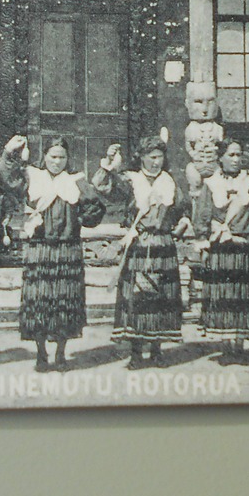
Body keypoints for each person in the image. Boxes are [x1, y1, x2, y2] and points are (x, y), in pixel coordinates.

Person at [4, 135, 106, 371]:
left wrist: (78, 219)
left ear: (68, 159)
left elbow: (95, 208)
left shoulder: (76, 182)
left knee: (65, 302)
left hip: (67, 249)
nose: (57, 161)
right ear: (45, 157)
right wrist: (10, 153)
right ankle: (41, 354)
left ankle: (60, 354)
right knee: (39, 302)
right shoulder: (32, 177)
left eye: (62, 157)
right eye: (53, 156)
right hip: (39, 248)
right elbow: (7, 179)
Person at [92, 135, 188, 369]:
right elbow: (102, 186)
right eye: (151, 157)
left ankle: (156, 350)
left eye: (160, 157)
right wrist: (108, 163)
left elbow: (182, 209)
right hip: (138, 245)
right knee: (137, 298)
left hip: (163, 246)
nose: (156, 162)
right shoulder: (131, 180)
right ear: (141, 157)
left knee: (161, 300)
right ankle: (136, 352)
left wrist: (181, 224)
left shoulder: (169, 181)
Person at [194, 139, 249, 362]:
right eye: (231, 155)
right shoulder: (211, 184)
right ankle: (226, 346)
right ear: (221, 158)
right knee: (223, 296)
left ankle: (240, 346)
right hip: (221, 250)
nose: (236, 160)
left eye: (239, 155)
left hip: (244, 249)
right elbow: (202, 217)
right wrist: (204, 245)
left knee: (242, 296)